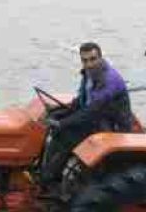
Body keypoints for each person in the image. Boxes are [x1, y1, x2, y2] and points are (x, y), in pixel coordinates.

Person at [42, 42, 133, 182]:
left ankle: (49, 179)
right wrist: (57, 112)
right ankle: (44, 171)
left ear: (101, 58)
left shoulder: (109, 80)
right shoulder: (89, 74)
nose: (89, 64)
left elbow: (91, 111)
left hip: (113, 126)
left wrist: (62, 123)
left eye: (93, 59)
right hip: (98, 117)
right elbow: (81, 101)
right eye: (85, 60)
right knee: (55, 126)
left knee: (66, 135)